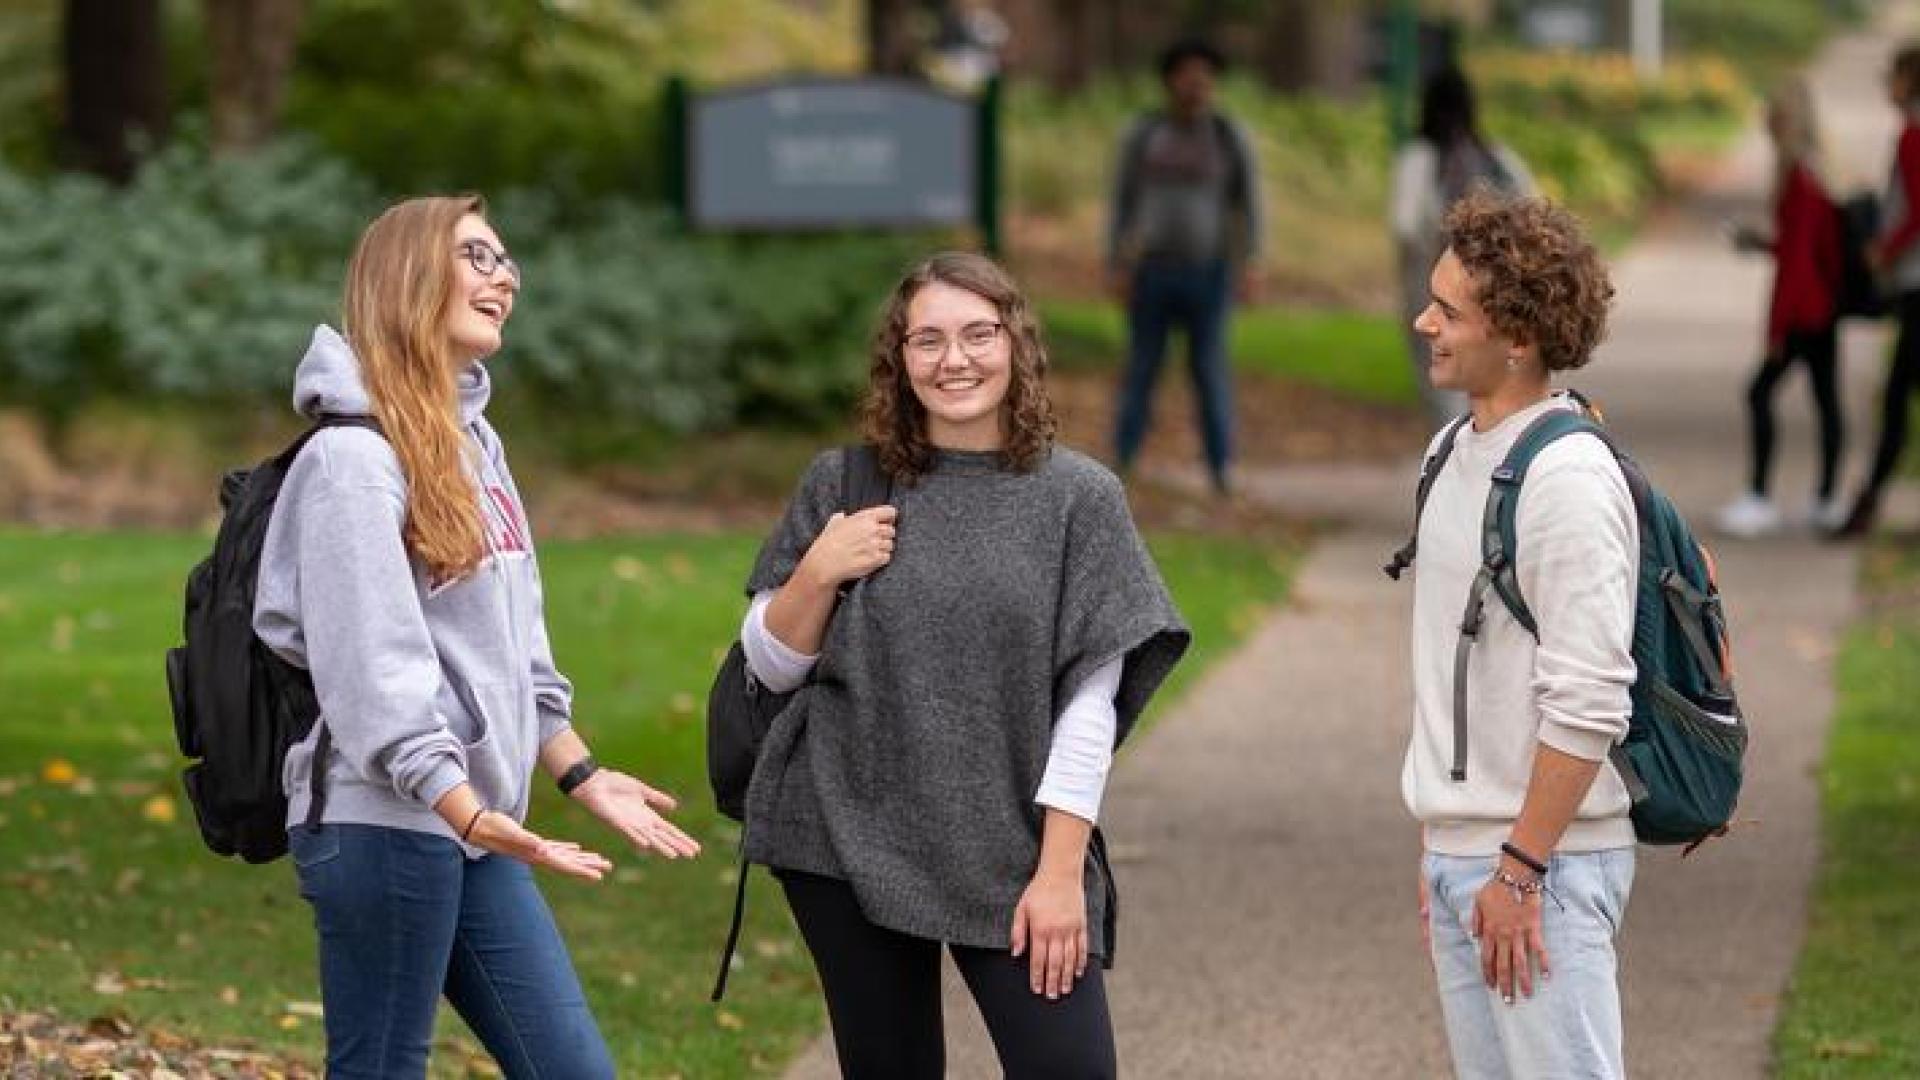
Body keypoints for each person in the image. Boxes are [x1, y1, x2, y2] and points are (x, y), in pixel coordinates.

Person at [253, 194, 702, 1078]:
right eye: (480, 257)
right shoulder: (352, 462)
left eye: (507, 262)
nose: (508, 277)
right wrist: (470, 810)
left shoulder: (474, 447)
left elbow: (515, 650)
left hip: (474, 826)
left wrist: (581, 774)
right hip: (384, 819)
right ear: (412, 277)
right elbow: (374, 678)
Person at [738, 252, 1190, 1078]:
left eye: (978, 334)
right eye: (929, 341)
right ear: (899, 360)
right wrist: (818, 568)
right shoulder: (843, 482)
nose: (955, 361)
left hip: (1010, 845)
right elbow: (768, 671)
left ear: (1015, 344)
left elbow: (1091, 702)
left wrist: (1059, 874)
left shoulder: (1077, 499)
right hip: (844, 831)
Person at [1405, 192, 1636, 1079]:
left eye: (1448, 310)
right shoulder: (1450, 452)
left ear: (1518, 337)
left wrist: (1517, 869)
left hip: (1547, 869)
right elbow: (1454, 678)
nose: (1423, 320)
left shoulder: (1568, 479)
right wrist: (1446, 849)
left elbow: (1588, 702)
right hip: (1474, 859)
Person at [1109, 37, 1263, 496]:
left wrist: (1251, 262)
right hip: (1152, 271)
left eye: (1205, 75)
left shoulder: (1227, 136)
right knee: (1141, 366)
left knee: (1210, 371)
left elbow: (1248, 204)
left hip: (1208, 272)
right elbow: (1122, 201)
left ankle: (1220, 467)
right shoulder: (1144, 135)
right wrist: (1115, 261)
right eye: (1187, 73)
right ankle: (1125, 457)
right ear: (1170, 80)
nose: (1196, 84)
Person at [1717, 76, 1847, 538]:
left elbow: (1796, 264)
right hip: (1821, 306)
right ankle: (1827, 499)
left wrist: (1774, 333)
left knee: (1760, 393)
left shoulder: (1799, 179)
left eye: (1773, 115)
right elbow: (1804, 249)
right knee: (1827, 400)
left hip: (1802, 310)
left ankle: (1761, 496)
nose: (1766, 123)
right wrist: (1762, 243)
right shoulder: (1815, 172)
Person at [1391, 66, 1536, 428]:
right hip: (1498, 292)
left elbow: (1406, 225)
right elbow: (1533, 207)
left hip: (1435, 285)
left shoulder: (1419, 159)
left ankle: (1457, 446)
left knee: (1443, 380)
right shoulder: (1497, 158)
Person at [1838, 42, 1920, 537]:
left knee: (1896, 398)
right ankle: (1866, 501)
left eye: (1893, 76)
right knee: (1897, 397)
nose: (1888, 87)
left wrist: (1884, 250)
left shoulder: (1913, 133)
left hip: (1916, 285)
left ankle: (1866, 503)